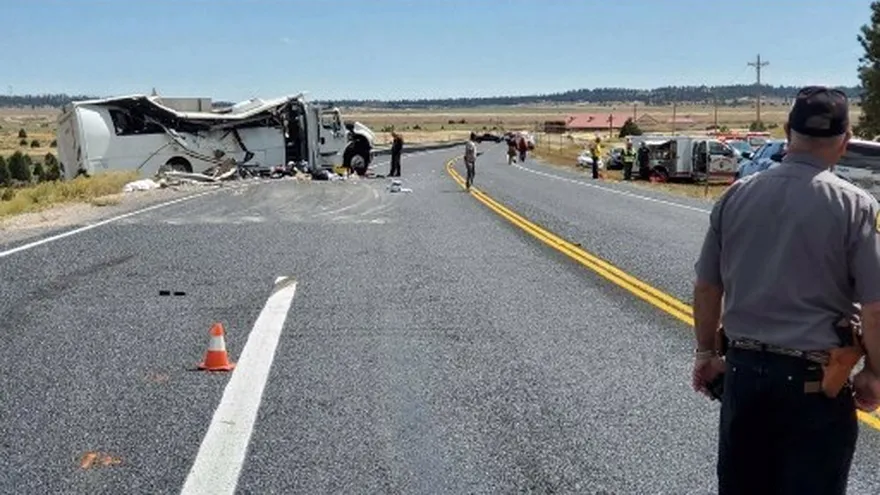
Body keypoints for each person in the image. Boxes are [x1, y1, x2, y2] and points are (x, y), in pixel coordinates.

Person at [692, 86, 880, 494]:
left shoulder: (736, 195)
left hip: (743, 377)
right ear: (845, 140)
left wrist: (706, 353)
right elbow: (875, 308)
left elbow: (707, 287)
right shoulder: (856, 206)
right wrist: (875, 373)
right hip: (816, 386)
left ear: (786, 131)